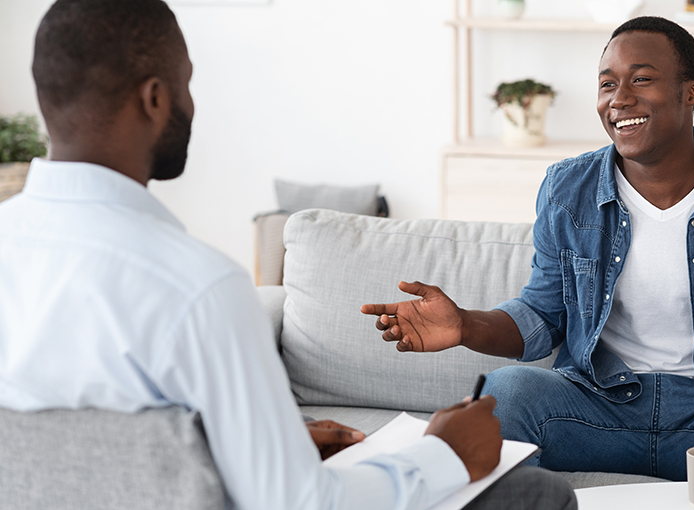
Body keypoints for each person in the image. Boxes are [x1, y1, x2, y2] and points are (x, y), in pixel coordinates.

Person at [0, 1, 577, 509]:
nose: (191, 105)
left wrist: (266, 443)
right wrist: (444, 454)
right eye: (187, 84)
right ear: (155, 98)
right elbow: (302, 504)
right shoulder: (196, 289)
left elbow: (94, 459)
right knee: (538, 494)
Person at [362, 16, 694, 489]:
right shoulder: (567, 187)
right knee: (507, 391)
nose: (619, 98)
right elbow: (543, 314)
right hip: (596, 410)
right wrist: (465, 326)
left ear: (691, 92)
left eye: (642, 79)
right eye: (607, 83)